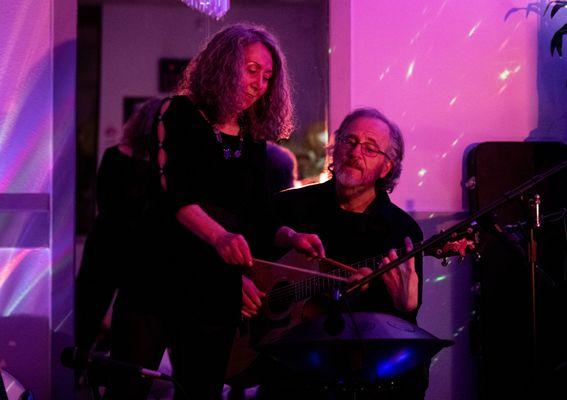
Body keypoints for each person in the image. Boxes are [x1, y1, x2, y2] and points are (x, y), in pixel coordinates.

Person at [106, 24, 324, 400]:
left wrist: (290, 237)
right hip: (156, 278)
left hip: (211, 290)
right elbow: (175, 194)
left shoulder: (253, 137)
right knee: (127, 389)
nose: (260, 83)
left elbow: (258, 216)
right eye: (252, 69)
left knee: (202, 391)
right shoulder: (178, 113)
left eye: (268, 76)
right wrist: (219, 237)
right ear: (224, 64)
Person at [244, 107, 427, 399]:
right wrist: (242, 284)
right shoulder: (288, 207)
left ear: (386, 167)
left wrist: (405, 309)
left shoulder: (401, 232)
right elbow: (242, 255)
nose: (356, 152)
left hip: (356, 370)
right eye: (349, 141)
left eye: (370, 148)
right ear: (335, 146)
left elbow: (399, 327)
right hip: (282, 366)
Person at [75, 97, 164, 354]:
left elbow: (105, 203)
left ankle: (75, 370)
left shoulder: (113, 156)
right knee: (128, 318)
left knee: (88, 310)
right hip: (135, 248)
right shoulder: (159, 166)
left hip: (106, 241)